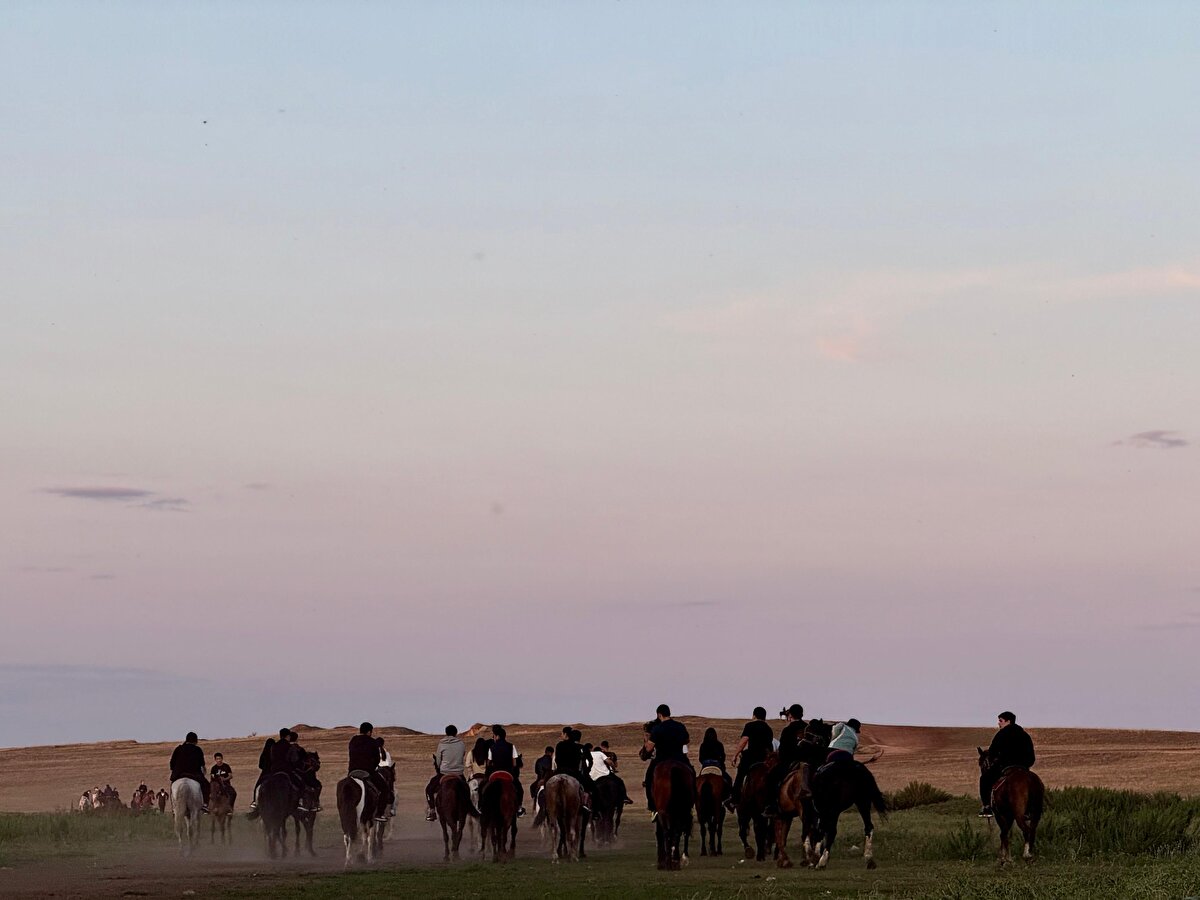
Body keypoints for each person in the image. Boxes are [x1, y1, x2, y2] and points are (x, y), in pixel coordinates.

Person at [979, 711, 1035, 817]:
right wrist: (1025, 766)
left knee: (984, 779)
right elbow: (1031, 756)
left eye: (1001, 721)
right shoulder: (1025, 735)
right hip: (1023, 767)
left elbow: (992, 753)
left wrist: (997, 761)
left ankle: (987, 807)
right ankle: (1030, 809)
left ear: (1008, 721)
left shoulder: (1001, 734)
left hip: (1005, 766)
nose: (998, 723)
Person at [641, 703, 691, 817]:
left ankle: (653, 806)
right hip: (679, 758)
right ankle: (691, 800)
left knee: (649, 779)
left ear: (659, 715)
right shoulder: (680, 726)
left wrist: (646, 741)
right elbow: (687, 740)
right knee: (691, 773)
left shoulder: (657, 728)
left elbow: (649, 748)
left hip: (661, 759)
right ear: (669, 713)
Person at [763, 704, 808, 814]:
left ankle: (771, 805)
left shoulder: (788, 730)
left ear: (790, 715)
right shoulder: (808, 727)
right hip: (808, 761)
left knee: (771, 777)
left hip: (790, 762)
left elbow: (783, 750)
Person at [348, 722, 392, 822]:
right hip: (367, 772)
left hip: (352, 771)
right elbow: (376, 760)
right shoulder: (372, 742)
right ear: (369, 732)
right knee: (384, 789)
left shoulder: (353, 740)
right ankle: (379, 814)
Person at [731, 707, 773, 806]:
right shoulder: (768, 729)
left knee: (740, 775)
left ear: (754, 715)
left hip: (751, 757)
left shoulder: (750, 725)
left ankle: (734, 799)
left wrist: (735, 755)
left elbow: (744, 741)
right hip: (764, 758)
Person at [425, 724, 467, 821]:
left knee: (429, 790)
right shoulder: (461, 744)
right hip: (458, 773)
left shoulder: (442, 744)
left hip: (444, 773)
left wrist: (442, 766)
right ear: (456, 733)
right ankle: (468, 808)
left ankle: (432, 811)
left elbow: (438, 760)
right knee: (466, 790)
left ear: (446, 733)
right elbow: (462, 756)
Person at [485, 724, 525, 816]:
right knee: (519, 789)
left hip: (495, 773)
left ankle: (481, 806)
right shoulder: (511, 746)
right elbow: (514, 763)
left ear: (497, 736)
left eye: (494, 736)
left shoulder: (491, 748)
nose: (493, 738)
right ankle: (519, 808)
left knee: (484, 789)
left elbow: (489, 763)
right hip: (508, 773)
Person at [168, 731, 210, 812]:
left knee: (172, 786)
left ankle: (174, 807)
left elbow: (172, 764)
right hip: (194, 774)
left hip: (179, 774)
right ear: (195, 741)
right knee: (207, 786)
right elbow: (202, 765)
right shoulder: (198, 749)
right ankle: (205, 804)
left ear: (186, 740)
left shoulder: (178, 748)